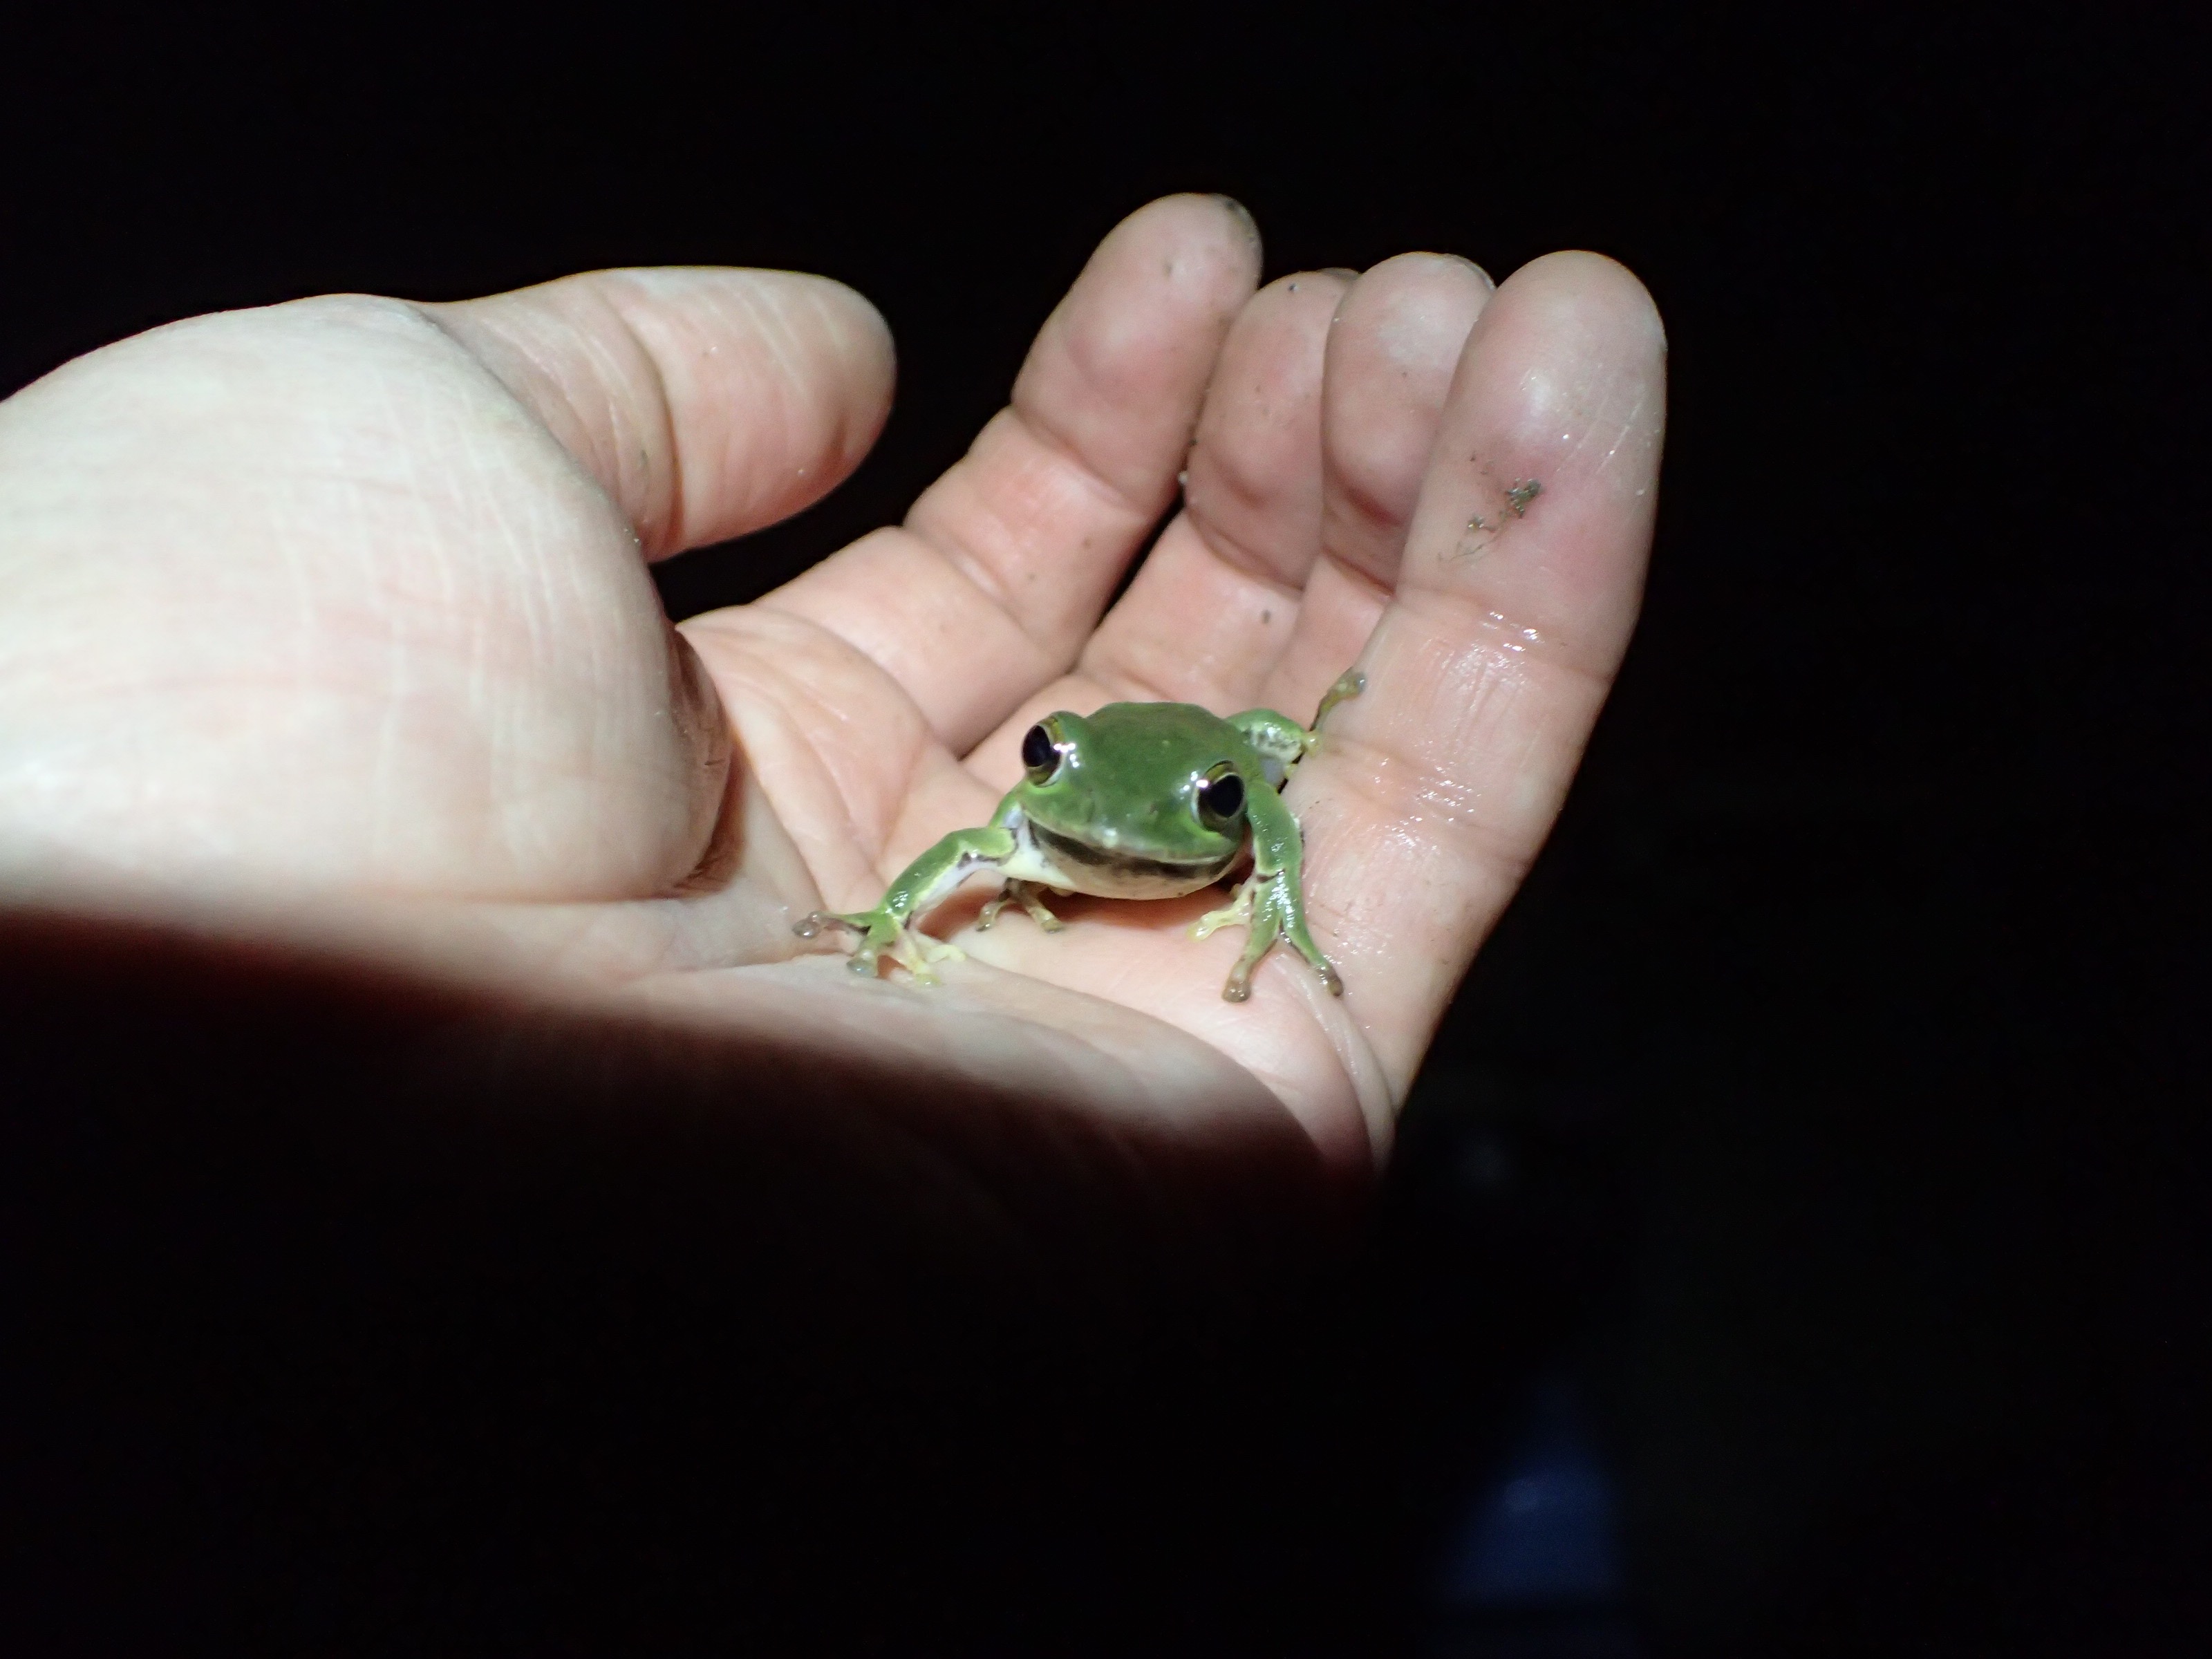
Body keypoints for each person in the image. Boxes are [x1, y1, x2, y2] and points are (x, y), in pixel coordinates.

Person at [0, 194, 1665, 1648]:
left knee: (1259, 766)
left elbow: (1267, 818)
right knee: (1037, 825)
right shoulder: (1037, 812)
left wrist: (1266, 892)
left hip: (1204, 781)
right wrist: (886, 918)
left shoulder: (1228, 814)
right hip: (1091, 807)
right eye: (1036, 754)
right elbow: (992, 837)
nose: (1045, 790)